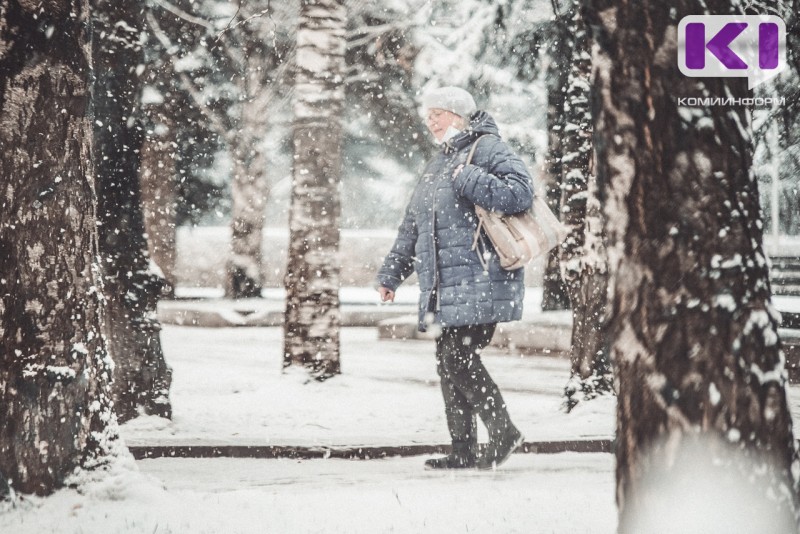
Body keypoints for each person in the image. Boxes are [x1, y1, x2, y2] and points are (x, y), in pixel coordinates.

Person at [376, 86, 533, 470]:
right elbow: (413, 226)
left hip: (481, 277)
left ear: (459, 116)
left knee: (457, 358)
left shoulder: (487, 148)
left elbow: (521, 193)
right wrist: (391, 275)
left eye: (438, 114)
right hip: (447, 287)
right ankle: (463, 450)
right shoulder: (438, 163)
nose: (430, 121)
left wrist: (469, 178)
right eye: (428, 114)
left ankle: (504, 433)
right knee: (448, 362)